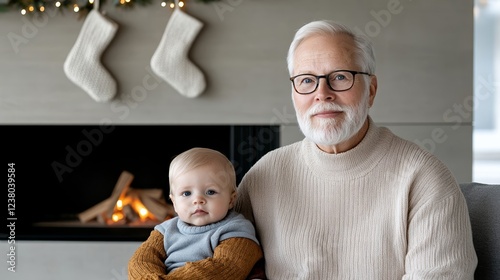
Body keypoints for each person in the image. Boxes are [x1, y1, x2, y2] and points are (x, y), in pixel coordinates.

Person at [233, 20, 478, 279]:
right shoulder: (264, 175)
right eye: (306, 80)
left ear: (370, 90)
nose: (322, 93)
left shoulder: (424, 177)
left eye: (340, 77)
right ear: (294, 94)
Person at [128, 147, 264, 280]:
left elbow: (226, 267)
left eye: (210, 192)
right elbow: (141, 260)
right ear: (174, 202)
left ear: (231, 200)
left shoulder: (236, 229)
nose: (198, 200)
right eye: (186, 193)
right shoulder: (165, 231)